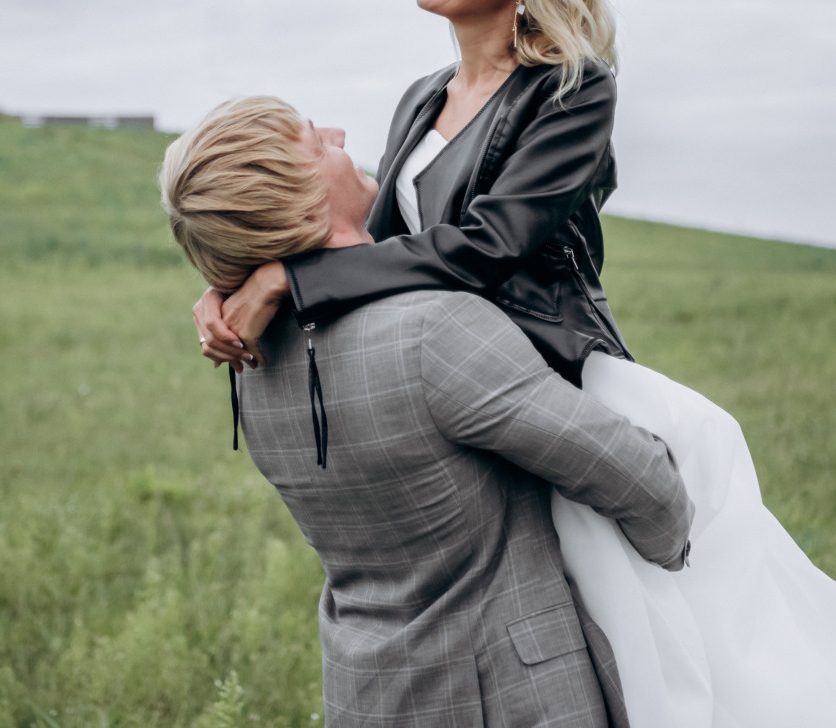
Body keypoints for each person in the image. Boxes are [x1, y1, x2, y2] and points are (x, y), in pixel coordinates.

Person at [190, 0, 836, 727]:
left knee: (681, 645)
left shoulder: (570, 91)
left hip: (552, 375)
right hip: (450, 383)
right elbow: (375, 251)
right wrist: (243, 283)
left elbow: (490, 246)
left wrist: (291, 281)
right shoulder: (419, 99)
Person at [159, 95, 696, 728]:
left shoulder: (250, 372)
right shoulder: (436, 331)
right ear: (299, 197)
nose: (339, 134)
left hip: (365, 694)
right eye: (316, 141)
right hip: (509, 698)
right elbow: (648, 488)